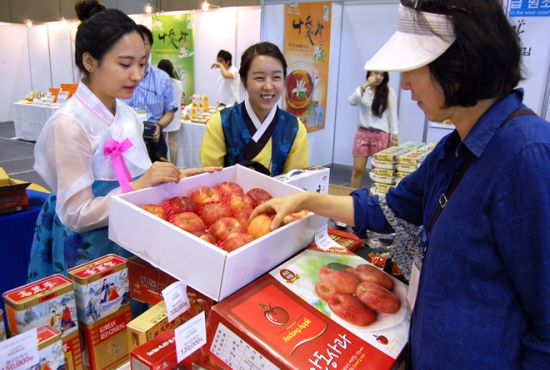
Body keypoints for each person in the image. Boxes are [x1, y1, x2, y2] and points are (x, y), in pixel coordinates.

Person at [251, 0, 550, 368]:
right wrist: (302, 202)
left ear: (459, 65)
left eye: (415, 69)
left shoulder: (526, 156)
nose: (405, 83)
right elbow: (382, 209)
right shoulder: (452, 150)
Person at [27, 0, 219, 283]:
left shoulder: (128, 114)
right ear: (89, 62)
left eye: (142, 64)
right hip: (91, 250)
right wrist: (142, 185)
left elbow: (137, 175)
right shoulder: (69, 125)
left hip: (130, 235)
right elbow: (76, 215)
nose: (137, 75)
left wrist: (171, 178)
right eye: (125, 64)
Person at [200, 42, 309, 177]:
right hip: (228, 197)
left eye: (276, 77)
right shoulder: (221, 122)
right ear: (244, 80)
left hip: (280, 198)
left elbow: (295, 186)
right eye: (259, 78)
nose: (268, 86)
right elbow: (210, 180)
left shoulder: (294, 128)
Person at [121, 24, 178, 162]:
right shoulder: (119, 77)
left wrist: (159, 126)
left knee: (160, 180)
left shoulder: (162, 78)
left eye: (143, 43)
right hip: (125, 140)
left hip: (154, 139)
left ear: (150, 47)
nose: (139, 48)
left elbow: (170, 110)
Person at [348, 71, 398, 188]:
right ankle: (352, 197)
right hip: (363, 134)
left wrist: (395, 135)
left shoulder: (389, 91)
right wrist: (365, 85)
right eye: (376, 73)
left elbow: (393, 115)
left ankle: (377, 199)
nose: (378, 77)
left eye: (382, 75)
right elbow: (351, 101)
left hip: (381, 135)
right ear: (369, 74)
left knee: (379, 173)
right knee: (357, 170)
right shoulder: (362, 90)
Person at [157, 59, 183, 165]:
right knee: (173, 143)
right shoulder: (178, 83)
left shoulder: (159, 84)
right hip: (175, 117)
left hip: (162, 118)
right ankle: (173, 165)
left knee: (160, 143)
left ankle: (162, 165)